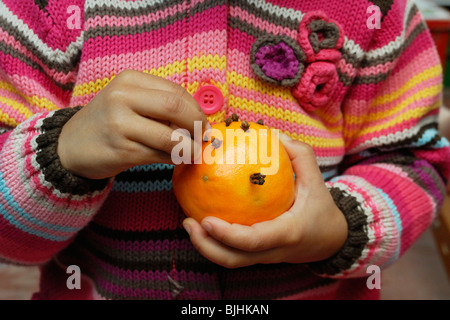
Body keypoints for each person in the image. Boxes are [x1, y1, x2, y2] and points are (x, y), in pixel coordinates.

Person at [0, 0, 449, 300]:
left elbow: (413, 159)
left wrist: (338, 230)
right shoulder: (42, 13)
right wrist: (60, 158)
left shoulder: (376, 12)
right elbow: (10, 245)